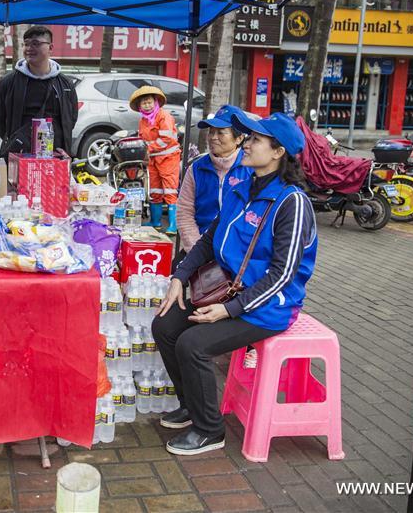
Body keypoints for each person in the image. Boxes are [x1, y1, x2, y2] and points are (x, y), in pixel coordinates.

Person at [151, 112, 317, 457]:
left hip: (267, 306)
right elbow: (210, 240)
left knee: (192, 344)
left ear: (277, 152)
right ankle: (191, 406)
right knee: (165, 326)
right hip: (225, 289)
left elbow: (283, 274)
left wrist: (228, 311)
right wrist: (179, 277)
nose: (247, 142)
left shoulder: (291, 202)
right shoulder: (242, 186)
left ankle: (210, 430)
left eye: (255, 139)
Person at [0, 25, 78, 160]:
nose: (29, 49)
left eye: (36, 44)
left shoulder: (65, 84)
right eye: (26, 44)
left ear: (50, 48)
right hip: (19, 154)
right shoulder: (8, 82)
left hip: (55, 156)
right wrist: (15, 140)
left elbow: (71, 118)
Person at [176, 104, 252, 253]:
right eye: (211, 132)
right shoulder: (197, 169)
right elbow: (184, 213)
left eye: (221, 133)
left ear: (239, 138)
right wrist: (197, 251)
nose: (213, 138)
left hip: (237, 251)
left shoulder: (250, 169)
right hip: (198, 246)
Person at [129, 86, 181, 233]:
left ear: (155, 102)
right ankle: (155, 222)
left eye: (149, 102)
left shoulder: (164, 116)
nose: (147, 105)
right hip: (152, 160)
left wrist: (148, 148)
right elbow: (142, 139)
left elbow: (166, 139)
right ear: (140, 107)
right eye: (144, 103)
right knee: (154, 190)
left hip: (168, 158)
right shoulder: (143, 121)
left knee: (170, 190)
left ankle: (173, 225)